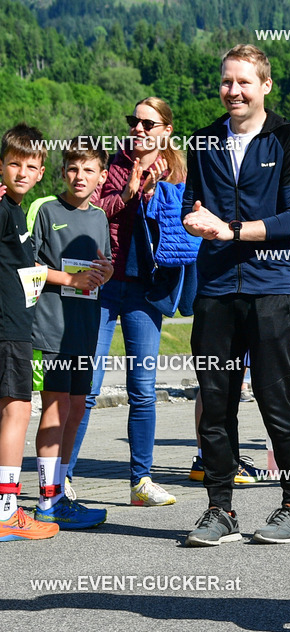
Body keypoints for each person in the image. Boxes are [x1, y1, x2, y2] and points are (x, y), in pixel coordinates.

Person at [181, 44, 290, 546]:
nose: (233, 91)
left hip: (270, 288)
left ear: (265, 86)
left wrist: (230, 229)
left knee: (276, 399)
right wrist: (194, 221)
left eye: (243, 82)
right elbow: (193, 211)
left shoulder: (288, 139)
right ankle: (220, 510)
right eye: (226, 82)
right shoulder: (203, 141)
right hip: (215, 289)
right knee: (215, 401)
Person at [69, 97, 185, 507]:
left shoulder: (177, 169)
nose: (138, 128)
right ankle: (61, 479)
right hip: (104, 283)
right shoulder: (113, 163)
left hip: (146, 288)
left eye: (147, 123)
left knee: (143, 389)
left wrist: (160, 199)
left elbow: (187, 220)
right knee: (86, 387)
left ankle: (141, 482)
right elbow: (91, 206)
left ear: (165, 130)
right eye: (133, 121)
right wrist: (130, 194)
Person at [30, 137, 114, 530]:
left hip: (86, 326)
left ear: (102, 175)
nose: (80, 176)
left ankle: (60, 493)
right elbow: (26, 266)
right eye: (73, 168)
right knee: (56, 407)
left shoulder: (99, 217)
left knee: (78, 409)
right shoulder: (45, 209)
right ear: (63, 171)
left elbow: (103, 265)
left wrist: (106, 273)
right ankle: (46, 500)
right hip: (51, 327)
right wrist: (70, 279)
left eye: (89, 170)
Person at [0, 123, 60, 541]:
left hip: (17, 325)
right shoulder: (3, 208)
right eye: (13, 163)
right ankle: (7, 511)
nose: (21, 172)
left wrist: (75, 281)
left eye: (30, 166)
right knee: (17, 411)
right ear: (1, 166)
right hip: (7, 329)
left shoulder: (18, 211)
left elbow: (27, 273)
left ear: (41, 172)